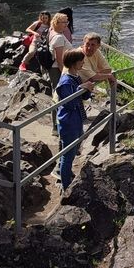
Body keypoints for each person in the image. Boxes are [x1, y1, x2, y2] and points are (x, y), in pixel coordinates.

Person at [55, 48, 93, 191]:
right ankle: (66, 186)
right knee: (68, 155)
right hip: (68, 121)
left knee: (73, 150)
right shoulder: (65, 81)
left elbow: (82, 97)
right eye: (81, 61)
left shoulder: (75, 76)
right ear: (73, 63)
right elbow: (69, 103)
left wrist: (87, 89)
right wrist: (81, 88)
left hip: (76, 120)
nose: (83, 63)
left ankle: (67, 176)